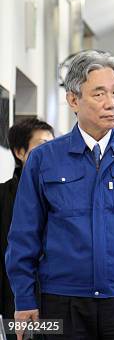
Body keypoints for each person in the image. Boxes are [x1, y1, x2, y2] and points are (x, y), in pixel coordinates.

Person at [6, 50, 114, 340]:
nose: (112, 103)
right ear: (73, 100)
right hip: (61, 302)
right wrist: (24, 299)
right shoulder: (43, 160)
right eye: (99, 94)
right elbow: (24, 235)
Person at [0, 119, 54, 337]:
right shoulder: (3, 197)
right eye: (42, 144)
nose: (49, 152)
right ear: (19, 152)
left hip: (56, 298)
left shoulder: (60, 195)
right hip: (15, 302)